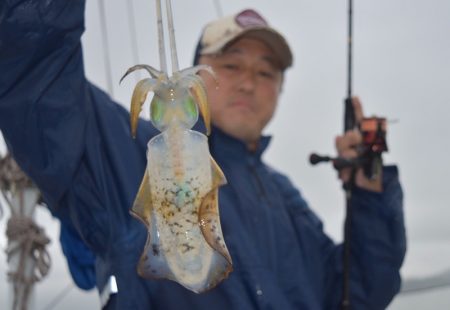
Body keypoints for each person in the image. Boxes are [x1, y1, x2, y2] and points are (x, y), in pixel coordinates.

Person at [0, 1, 406, 309]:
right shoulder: (123, 152)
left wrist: (370, 196)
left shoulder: (285, 196)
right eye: (230, 65)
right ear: (197, 74)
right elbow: (35, 74)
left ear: (280, 91)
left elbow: (358, 293)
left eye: (266, 73)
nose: (248, 83)